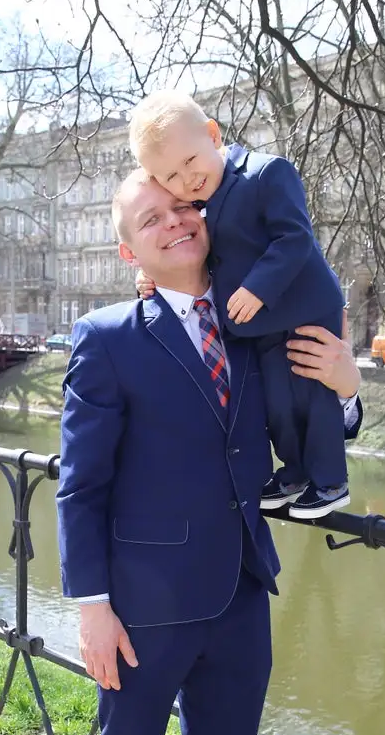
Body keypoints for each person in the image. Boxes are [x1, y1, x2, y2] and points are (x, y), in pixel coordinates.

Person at [56, 172, 362, 735]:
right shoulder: (109, 337)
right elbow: (80, 487)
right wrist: (92, 607)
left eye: (181, 207)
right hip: (144, 609)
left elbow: (308, 423)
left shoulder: (251, 324)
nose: (173, 222)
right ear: (131, 251)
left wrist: (347, 386)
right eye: (149, 218)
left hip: (240, 591)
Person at [128, 90, 350, 520]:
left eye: (191, 161)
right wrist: (151, 273)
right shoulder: (199, 205)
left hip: (304, 305)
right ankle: (295, 472)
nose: (187, 180)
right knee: (277, 403)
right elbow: (208, 256)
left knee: (314, 392)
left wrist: (257, 288)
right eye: (171, 177)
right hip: (259, 322)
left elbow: (295, 238)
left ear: (213, 134)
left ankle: (331, 481)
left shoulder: (268, 173)